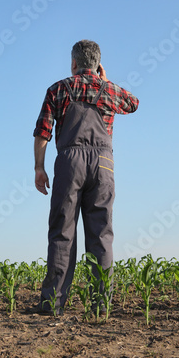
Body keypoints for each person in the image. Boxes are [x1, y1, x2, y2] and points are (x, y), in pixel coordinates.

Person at [32, 40, 139, 315]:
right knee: (101, 236)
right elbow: (133, 103)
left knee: (62, 233)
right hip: (104, 164)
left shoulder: (58, 89)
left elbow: (43, 132)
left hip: (70, 163)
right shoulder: (110, 91)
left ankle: (52, 305)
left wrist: (39, 168)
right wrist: (106, 80)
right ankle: (100, 308)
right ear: (98, 64)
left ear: (73, 63)